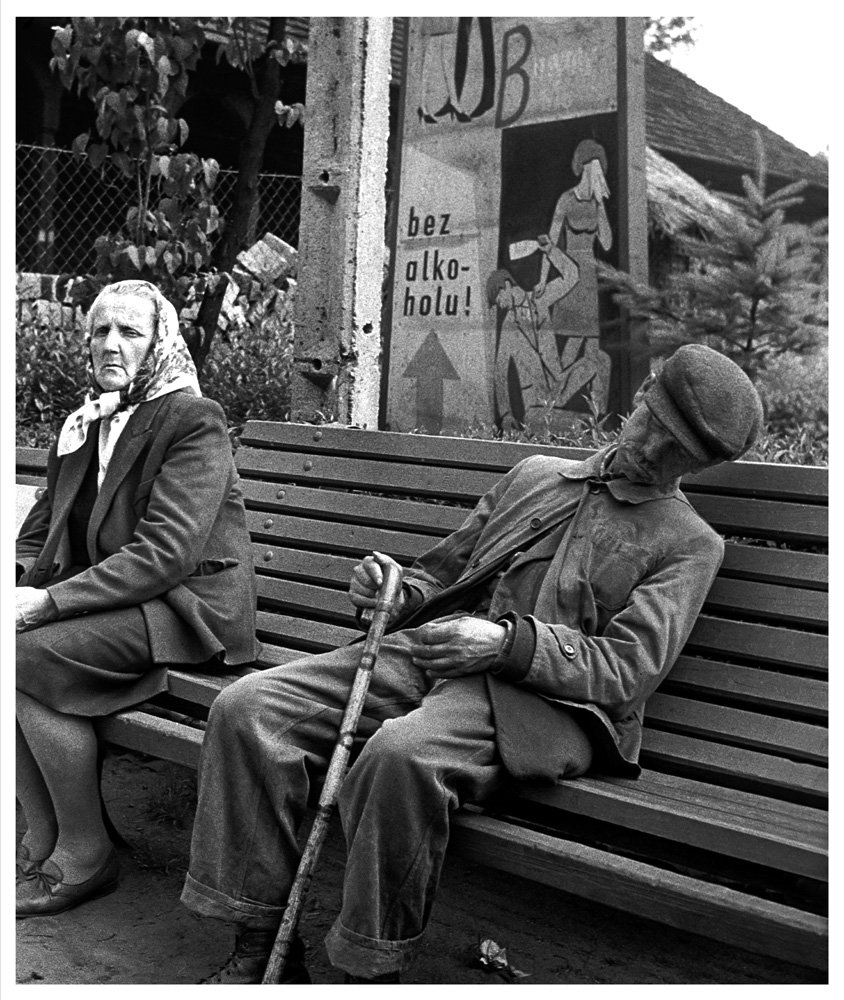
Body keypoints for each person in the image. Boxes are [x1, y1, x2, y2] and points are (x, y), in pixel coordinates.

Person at [181, 344, 763, 984]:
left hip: (540, 708)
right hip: (433, 657)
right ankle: (261, 947)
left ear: (703, 466)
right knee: (247, 708)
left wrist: (503, 646)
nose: (652, 450)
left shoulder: (690, 544)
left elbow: (628, 671)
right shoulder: (537, 476)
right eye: (652, 424)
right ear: (641, 393)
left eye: (678, 452)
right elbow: (442, 575)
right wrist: (395, 592)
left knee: (399, 757)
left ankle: (368, 972)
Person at [16, 279, 258, 919]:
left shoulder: (193, 421)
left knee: (21, 658)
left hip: (186, 608)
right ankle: (43, 840)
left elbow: (165, 556)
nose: (111, 344)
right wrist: (15, 580)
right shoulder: (85, 421)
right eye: (100, 331)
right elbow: (43, 528)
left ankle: (84, 853)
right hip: (116, 602)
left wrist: (45, 604)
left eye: (130, 331)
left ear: (159, 344)